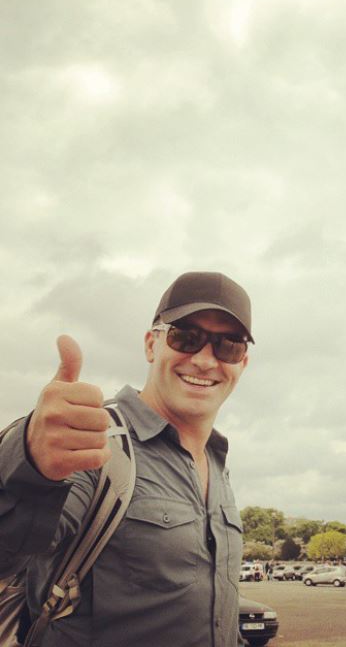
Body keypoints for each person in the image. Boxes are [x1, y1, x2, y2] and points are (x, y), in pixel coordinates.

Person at [0, 271, 254, 647]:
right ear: (152, 345)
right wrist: (27, 459)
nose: (204, 360)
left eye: (228, 345)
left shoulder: (217, 463)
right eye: (186, 337)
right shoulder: (92, 444)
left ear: (242, 363)